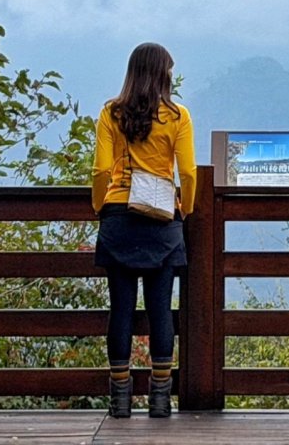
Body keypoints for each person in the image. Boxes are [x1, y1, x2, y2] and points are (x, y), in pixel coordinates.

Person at [91, 42, 196, 419]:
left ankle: (120, 401)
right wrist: (187, 208)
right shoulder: (178, 116)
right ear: (163, 74)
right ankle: (160, 400)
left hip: (118, 215)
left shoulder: (110, 112)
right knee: (160, 310)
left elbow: (101, 171)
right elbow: (187, 172)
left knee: (120, 309)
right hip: (162, 219)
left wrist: (100, 204)